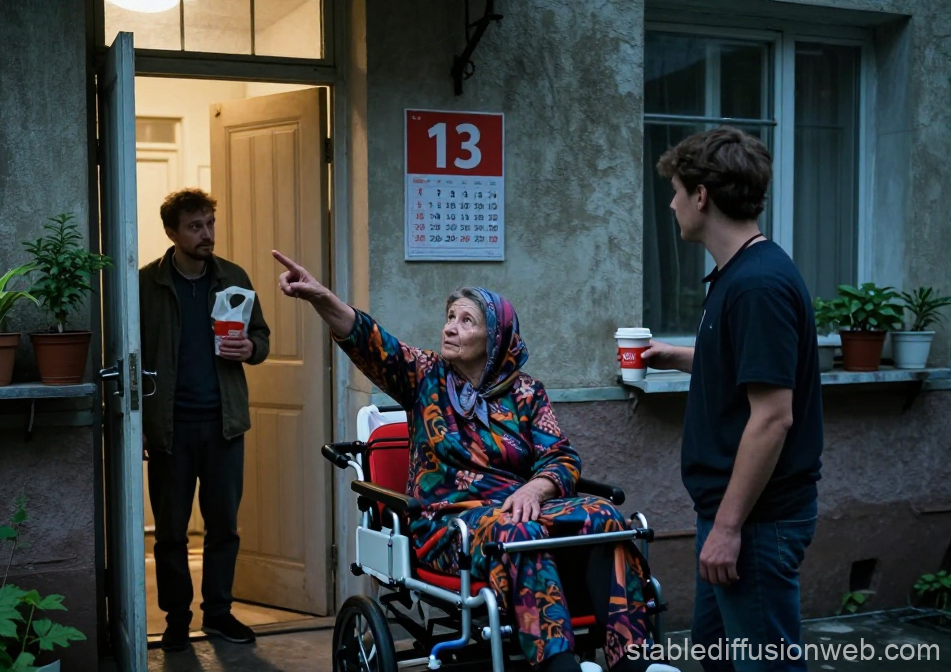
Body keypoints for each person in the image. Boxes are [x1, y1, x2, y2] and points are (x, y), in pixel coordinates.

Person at [273, 250, 678, 672]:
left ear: (495, 338)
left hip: (520, 509)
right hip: (450, 526)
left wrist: (535, 488)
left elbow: (561, 457)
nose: (450, 327)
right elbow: (370, 342)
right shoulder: (425, 377)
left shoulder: (526, 393)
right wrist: (320, 297)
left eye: (466, 320)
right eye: (450, 316)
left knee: (606, 516)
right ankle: (558, 664)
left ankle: (633, 660)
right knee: (520, 531)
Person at [641, 127, 823, 671]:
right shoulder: (737, 275)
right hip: (732, 515)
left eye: (676, 190)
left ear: (701, 196)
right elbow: (749, 367)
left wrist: (726, 529)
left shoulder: (758, 285)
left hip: (753, 523)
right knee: (718, 658)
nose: (671, 203)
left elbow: (772, 418)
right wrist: (679, 355)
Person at [139, 188, 271, 652]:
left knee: (223, 528)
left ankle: (218, 614)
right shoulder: (145, 285)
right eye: (195, 226)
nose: (207, 234)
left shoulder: (232, 276)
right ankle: (177, 620)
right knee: (171, 533)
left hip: (224, 425)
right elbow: (128, 355)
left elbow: (262, 337)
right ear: (172, 232)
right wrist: (135, 423)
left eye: (210, 224)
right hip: (170, 429)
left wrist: (251, 349)